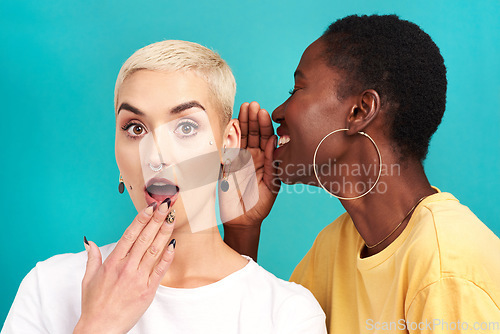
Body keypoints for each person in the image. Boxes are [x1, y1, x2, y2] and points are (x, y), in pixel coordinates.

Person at [2, 40, 326, 334]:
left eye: (186, 127)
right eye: (135, 127)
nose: (155, 156)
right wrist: (96, 326)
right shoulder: (49, 287)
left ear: (227, 146)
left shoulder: (287, 314)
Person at [223, 14, 500, 333]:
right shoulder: (334, 248)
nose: (278, 112)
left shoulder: (446, 268)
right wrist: (243, 228)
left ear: (359, 111)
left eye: (297, 88)